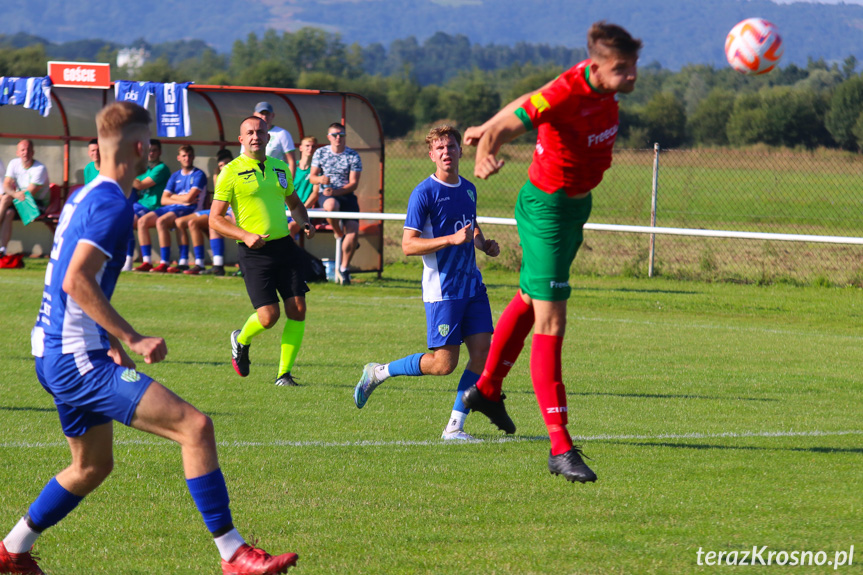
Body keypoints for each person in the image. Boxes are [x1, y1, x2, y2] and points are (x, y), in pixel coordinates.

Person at [0, 101, 298, 575]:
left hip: (57, 349)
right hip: (76, 358)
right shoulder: (112, 204)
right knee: (195, 427)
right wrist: (131, 337)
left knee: (91, 467)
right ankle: (233, 553)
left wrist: (109, 341)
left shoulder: (84, 194)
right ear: (141, 148)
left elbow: (68, 281)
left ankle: (11, 551)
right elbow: (76, 280)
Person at [460, 21, 641, 484]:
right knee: (552, 318)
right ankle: (560, 447)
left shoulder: (592, 82)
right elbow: (519, 116)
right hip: (547, 213)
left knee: (529, 298)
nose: (631, 76)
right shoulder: (565, 93)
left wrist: (486, 128)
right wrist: (487, 145)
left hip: (575, 207)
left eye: (634, 66)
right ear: (598, 66)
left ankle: (486, 389)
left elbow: (525, 99)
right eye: (622, 68)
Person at [353, 126, 500, 441]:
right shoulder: (424, 193)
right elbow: (408, 245)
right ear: (432, 155)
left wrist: (483, 244)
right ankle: (378, 372)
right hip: (443, 291)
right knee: (443, 364)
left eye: (451, 146)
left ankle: (454, 428)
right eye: (440, 148)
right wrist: (450, 239)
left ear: (461, 151)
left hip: (472, 286)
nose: (447, 152)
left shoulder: (469, 189)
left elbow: (471, 226)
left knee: (482, 355)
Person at [209, 116, 315, 388]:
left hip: (284, 247)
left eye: (260, 131)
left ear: (269, 137)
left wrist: (303, 221)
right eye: (250, 132)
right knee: (269, 317)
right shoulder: (230, 172)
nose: (256, 136)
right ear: (241, 139)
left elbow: (295, 203)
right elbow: (215, 219)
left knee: (298, 308)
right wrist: (245, 235)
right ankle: (241, 339)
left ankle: (284, 375)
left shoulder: (281, 168)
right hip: (253, 252)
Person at [134, 145, 207, 273]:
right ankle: (147, 261)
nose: (187, 158)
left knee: (161, 221)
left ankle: (164, 262)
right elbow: (163, 200)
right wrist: (180, 197)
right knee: (142, 221)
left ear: (194, 157)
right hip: (171, 207)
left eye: (190, 155)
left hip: (189, 209)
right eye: (184, 156)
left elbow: (189, 199)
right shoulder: (175, 176)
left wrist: (174, 197)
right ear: (178, 158)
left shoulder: (198, 174)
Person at [308, 123, 362, 285]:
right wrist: (320, 180)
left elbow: (353, 184)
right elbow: (312, 177)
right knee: (331, 206)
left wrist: (337, 192)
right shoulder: (321, 152)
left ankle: (344, 269)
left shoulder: (353, 156)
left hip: (346, 196)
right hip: (327, 196)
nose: (338, 138)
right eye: (335, 134)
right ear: (329, 137)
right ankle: (339, 233)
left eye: (341, 135)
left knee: (353, 232)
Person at [180, 149, 235, 276]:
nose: (224, 167)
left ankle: (219, 265)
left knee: (214, 222)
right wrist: (216, 175)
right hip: (220, 210)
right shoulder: (222, 177)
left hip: (232, 212)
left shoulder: (238, 175)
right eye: (220, 165)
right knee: (192, 223)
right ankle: (199, 263)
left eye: (226, 163)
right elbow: (219, 196)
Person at [123, 139, 170, 271]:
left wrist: (126, 172)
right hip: (141, 204)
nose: (151, 153)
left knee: (131, 221)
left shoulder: (161, 168)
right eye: (148, 151)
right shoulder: (146, 169)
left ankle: (138, 260)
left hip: (155, 207)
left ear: (159, 152)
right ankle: (128, 259)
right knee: (121, 218)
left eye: (154, 150)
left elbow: (140, 185)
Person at [1, 140, 50, 257]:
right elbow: (6, 185)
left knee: (7, 198)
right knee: (8, 212)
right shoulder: (14, 163)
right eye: (22, 150)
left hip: (37, 204)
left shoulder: (40, 168)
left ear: (33, 152)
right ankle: (2, 250)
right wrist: (14, 194)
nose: (25, 153)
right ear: (17, 152)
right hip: (19, 200)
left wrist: (13, 194)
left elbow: (30, 193)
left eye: (28, 150)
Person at [241, 102, 297, 178]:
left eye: (267, 113)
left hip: (275, 177)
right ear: (254, 114)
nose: (264, 116)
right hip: (253, 177)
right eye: (261, 113)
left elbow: (291, 161)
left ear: (272, 115)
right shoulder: (248, 134)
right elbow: (243, 157)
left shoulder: (282, 133)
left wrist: (290, 182)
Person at [288, 136, 319, 237]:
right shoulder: (290, 168)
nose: (310, 149)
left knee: (290, 229)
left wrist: (301, 209)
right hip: (285, 210)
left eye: (313, 146)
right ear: (300, 147)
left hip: (304, 211)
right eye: (307, 146)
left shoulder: (317, 170)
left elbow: (315, 193)